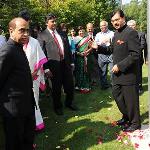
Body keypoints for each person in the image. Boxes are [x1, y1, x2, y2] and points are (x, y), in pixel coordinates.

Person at [93, 10, 141, 132]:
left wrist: (120, 65)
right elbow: (110, 49)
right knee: (117, 96)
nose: (115, 22)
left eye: (117, 19)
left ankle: (135, 123)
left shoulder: (131, 33)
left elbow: (135, 55)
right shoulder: (116, 34)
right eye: (113, 21)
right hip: (117, 75)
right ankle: (126, 117)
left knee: (131, 100)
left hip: (128, 75)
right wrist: (98, 48)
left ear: (123, 18)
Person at [0, 17, 35, 150]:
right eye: (22, 30)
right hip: (13, 111)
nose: (26, 34)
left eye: (28, 30)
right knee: (14, 144)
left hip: (26, 106)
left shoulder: (18, 47)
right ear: (11, 30)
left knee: (27, 141)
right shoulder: (7, 50)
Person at [38, 13, 77, 115]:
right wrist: (46, 69)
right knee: (56, 87)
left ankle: (69, 103)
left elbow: (67, 49)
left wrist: (72, 62)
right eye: (52, 21)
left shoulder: (62, 33)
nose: (55, 23)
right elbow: (42, 53)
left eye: (55, 21)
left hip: (66, 64)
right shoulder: (42, 35)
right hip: (53, 66)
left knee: (69, 84)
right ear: (47, 22)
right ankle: (57, 106)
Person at [23, 36, 48, 131]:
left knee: (34, 100)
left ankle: (37, 124)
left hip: (34, 76)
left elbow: (40, 58)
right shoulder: (15, 42)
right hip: (21, 78)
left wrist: (34, 73)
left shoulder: (34, 42)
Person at [127, 20, 147, 94]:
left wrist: (133, 50)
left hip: (138, 58)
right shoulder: (126, 34)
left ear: (136, 26)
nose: (131, 27)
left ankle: (139, 87)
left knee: (138, 73)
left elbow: (142, 45)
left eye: (133, 25)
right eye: (129, 26)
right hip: (128, 58)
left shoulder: (141, 34)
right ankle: (131, 88)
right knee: (130, 73)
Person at [95, 20, 114, 90]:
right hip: (101, 54)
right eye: (101, 26)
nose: (102, 27)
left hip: (111, 53)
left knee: (112, 71)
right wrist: (101, 42)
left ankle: (113, 85)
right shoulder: (98, 34)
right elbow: (95, 44)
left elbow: (114, 43)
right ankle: (104, 86)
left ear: (107, 26)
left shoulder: (112, 33)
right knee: (102, 71)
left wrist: (109, 41)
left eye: (104, 25)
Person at [74, 26, 93, 93]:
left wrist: (86, 52)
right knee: (79, 71)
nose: (81, 32)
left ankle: (86, 86)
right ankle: (78, 86)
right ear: (78, 32)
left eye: (82, 31)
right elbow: (73, 50)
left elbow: (91, 47)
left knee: (85, 71)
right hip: (78, 58)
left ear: (84, 31)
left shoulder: (88, 38)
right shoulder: (75, 39)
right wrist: (79, 53)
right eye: (79, 31)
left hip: (86, 57)